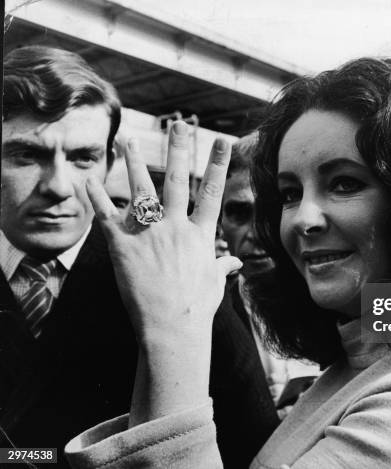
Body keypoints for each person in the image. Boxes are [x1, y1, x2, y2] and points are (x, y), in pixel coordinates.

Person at [65, 58, 391, 468]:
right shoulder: (378, 351)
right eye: (288, 193)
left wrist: (173, 328)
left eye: (344, 182)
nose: (301, 219)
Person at [0, 45, 277, 469]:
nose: (57, 186)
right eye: (25, 155)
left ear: (108, 162)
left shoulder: (174, 270)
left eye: (82, 157)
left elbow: (252, 443)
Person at [221, 133, 319, 411]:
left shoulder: (352, 294)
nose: (256, 233)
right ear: (221, 221)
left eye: (271, 212)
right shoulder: (205, 313)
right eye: (239, 213)